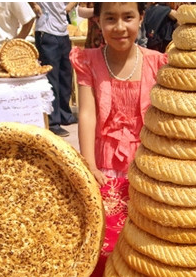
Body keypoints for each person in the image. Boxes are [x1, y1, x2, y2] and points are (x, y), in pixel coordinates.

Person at [70, 2, 167, 274]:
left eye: (128, 17)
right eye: (110, 19)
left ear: (141, 18)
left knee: (145, 241)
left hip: (146, 165)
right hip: (103, 163)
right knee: (105, 240)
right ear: (98, 21)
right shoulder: (87, 60)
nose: (120, 27)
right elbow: (87, 114)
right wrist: (88, 164)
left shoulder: (157, 62)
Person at [32, 2, 78, 137]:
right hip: (46, 32)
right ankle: (53, 121)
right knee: (51, 79)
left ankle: (65, 114)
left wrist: (70, 6)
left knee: (65, 75)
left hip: (63, 31)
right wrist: (33, 4)